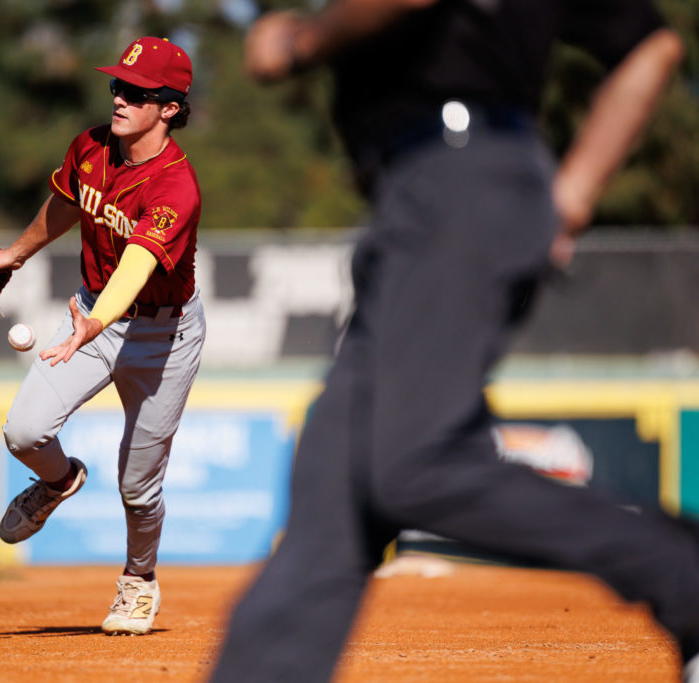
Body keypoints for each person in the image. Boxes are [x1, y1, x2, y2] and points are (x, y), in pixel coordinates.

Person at [210, 1, 699, 681]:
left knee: (414, 463)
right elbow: (653, 49)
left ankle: (683, 573)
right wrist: (574, 194)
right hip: (453, 185)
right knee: (334, 498)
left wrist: (302, 39)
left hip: (451, 180)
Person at [0, 36, 205, 636]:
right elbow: (65, 205)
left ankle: (139, 581)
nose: (120, 97)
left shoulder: (175, 187)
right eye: (117, 85)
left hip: (162, 336)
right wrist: (13, 256)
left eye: (138, 92)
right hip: (92, 316)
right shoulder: (90, 147)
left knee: (138, 483)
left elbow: (138, 263)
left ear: (168, 107)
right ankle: (60, 481)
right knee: (24, 432)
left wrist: (96, 321)